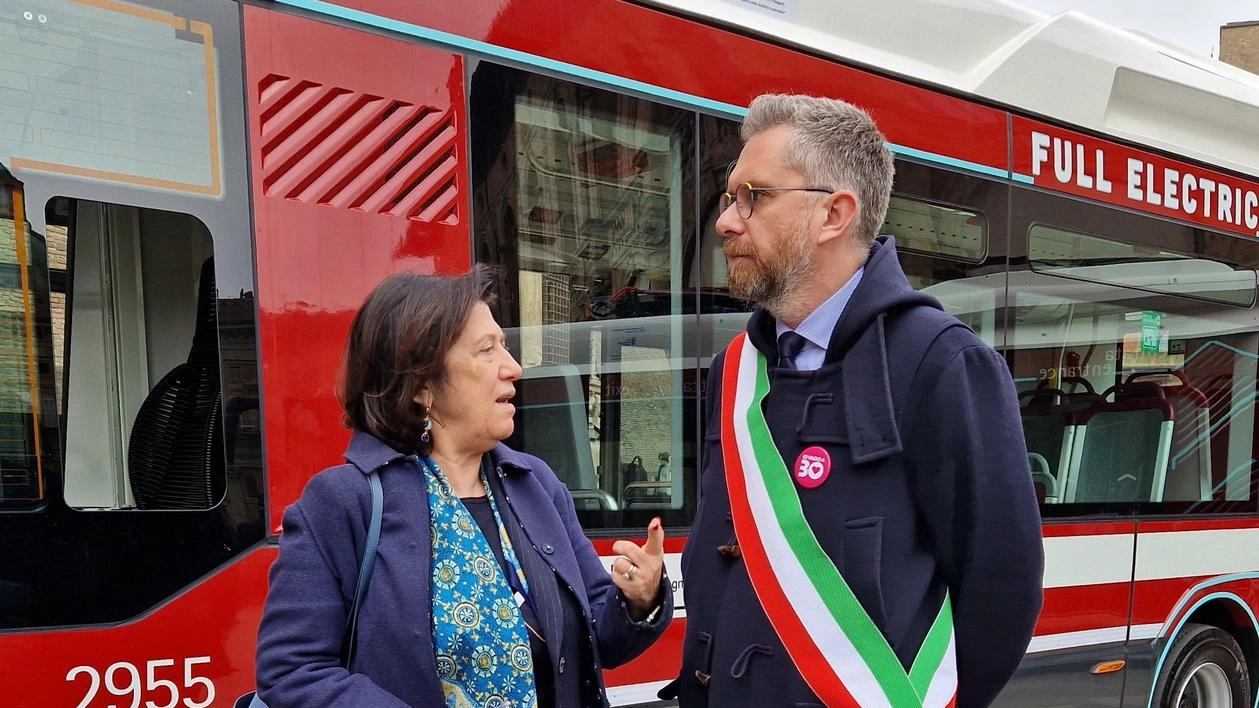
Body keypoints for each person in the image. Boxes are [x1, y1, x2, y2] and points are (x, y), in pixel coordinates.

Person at [673, 94, 1043, 708]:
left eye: (754, 197)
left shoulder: (942, 362)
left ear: (834, 214)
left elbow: (1000, 587)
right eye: (729, 197)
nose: (726, 222)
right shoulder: (736, 368)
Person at [255, 269, 672, 708]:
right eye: (486, 350)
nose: (514, 368)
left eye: (504, 345)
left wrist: (640, 599)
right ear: (420, 385)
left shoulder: (535, 485)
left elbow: (599, 638)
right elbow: (292, 670)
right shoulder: (343, 502)